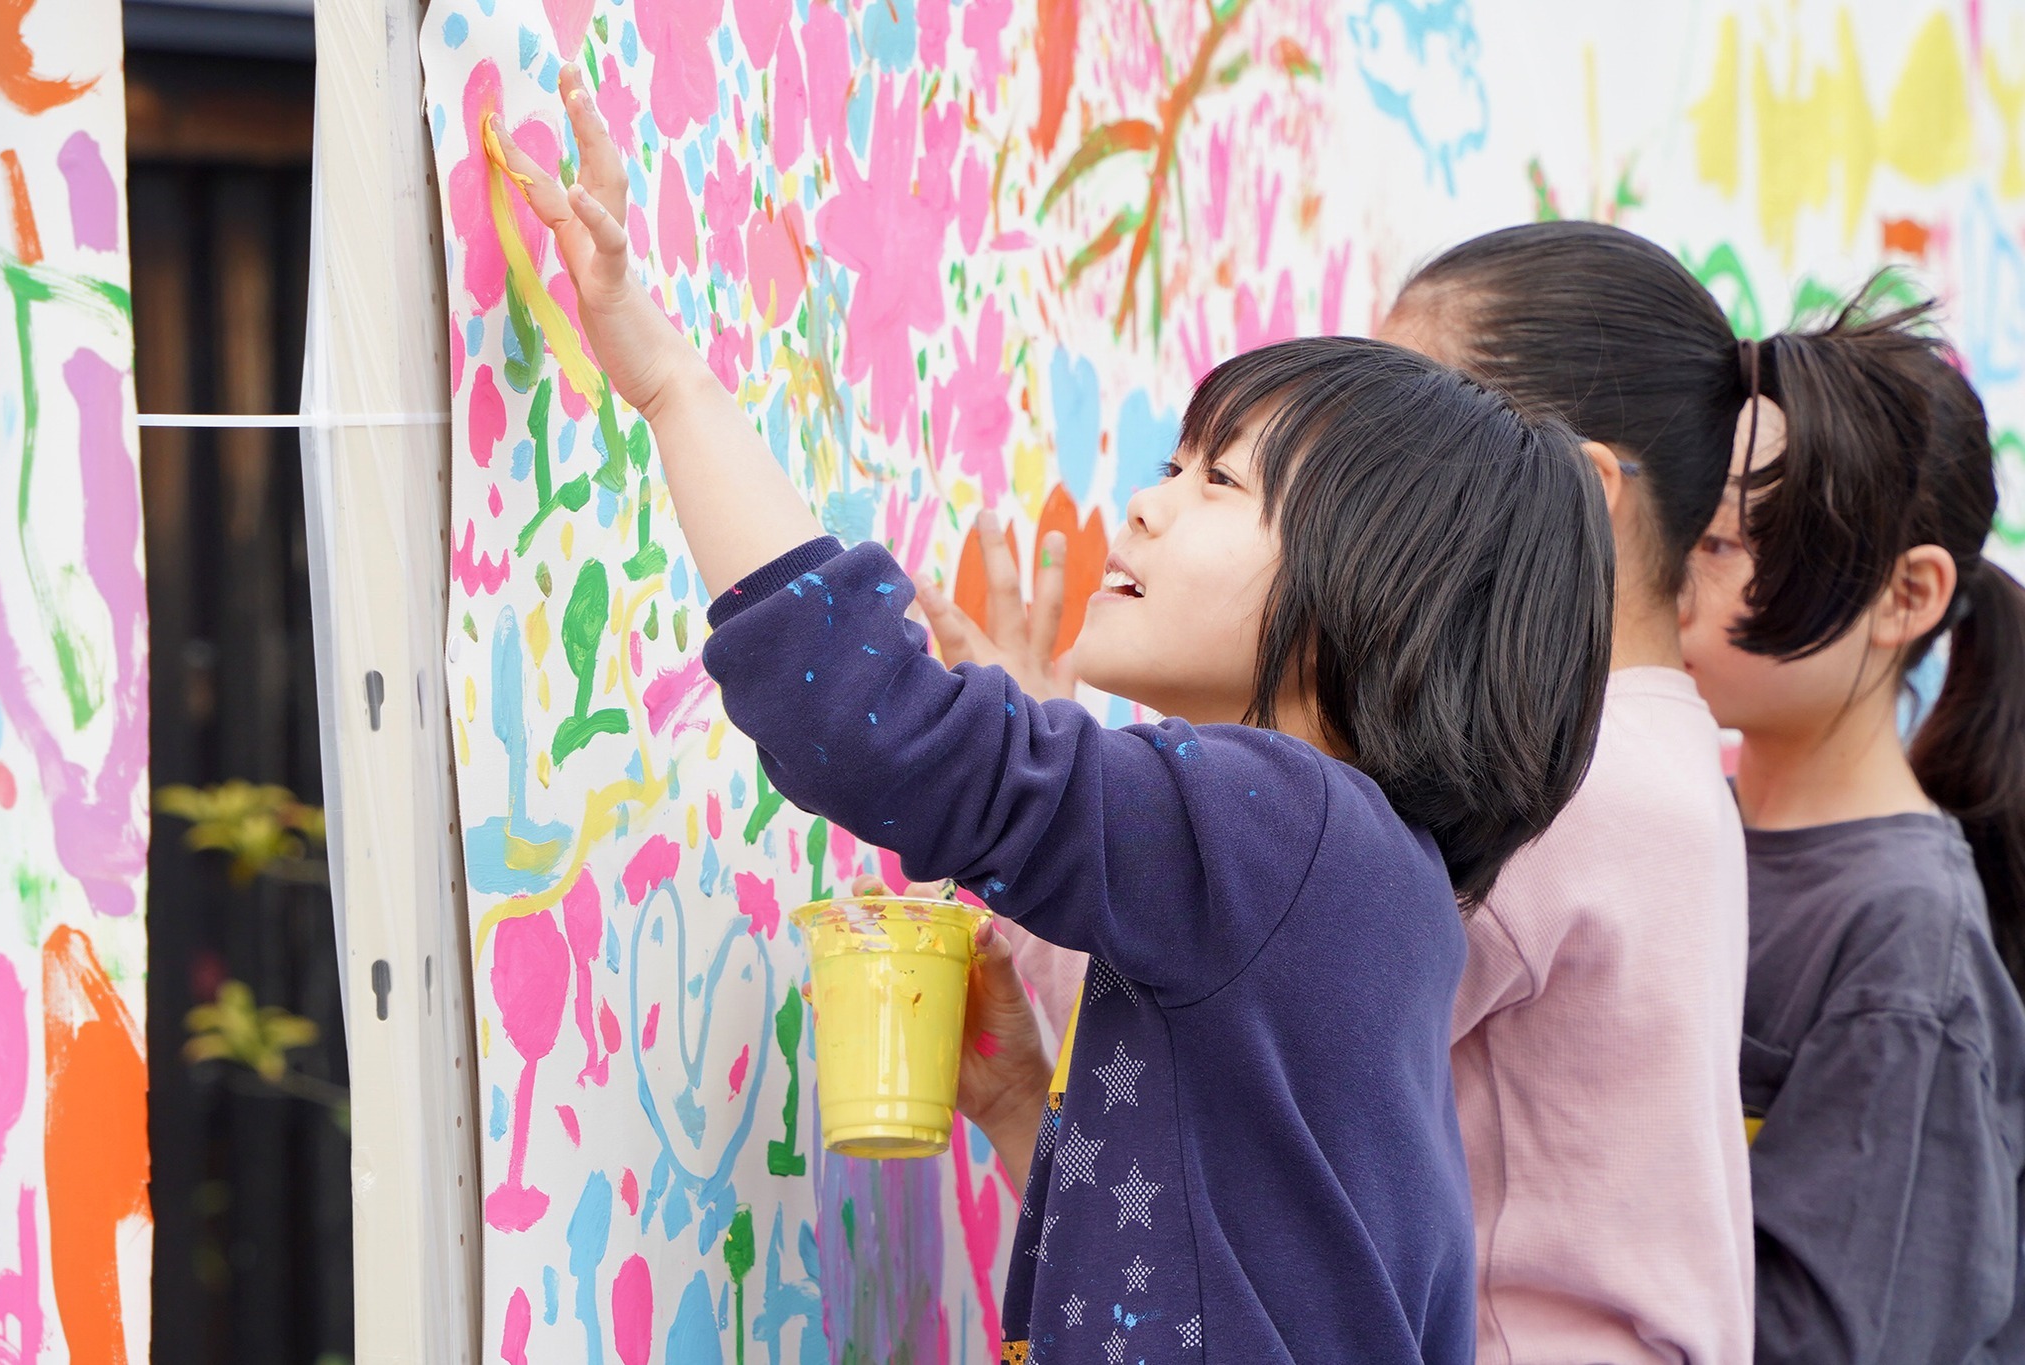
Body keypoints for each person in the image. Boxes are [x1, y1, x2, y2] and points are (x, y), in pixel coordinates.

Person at [503, 66, 1616, 1363]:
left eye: (1217, 481)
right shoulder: (1384, 893)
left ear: (1377, 593)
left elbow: (877, 725)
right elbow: (1251, 1266)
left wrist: (673, 389)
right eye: (1167, 466)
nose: (1145, 504)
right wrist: (1037, 1110)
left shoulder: (1280, 817)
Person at [1376, 221, 1762, 1363]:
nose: (1334, 496)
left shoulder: (1553, 785)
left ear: (1581, 495)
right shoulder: (1659, 745)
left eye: (1389, 448)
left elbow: (1273, 1025)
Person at [1678, 292, 2025, 1363]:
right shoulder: (1687, 829)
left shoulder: (1900, 930)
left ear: (1904, 595)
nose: (1669, 574)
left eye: (1724, 539)